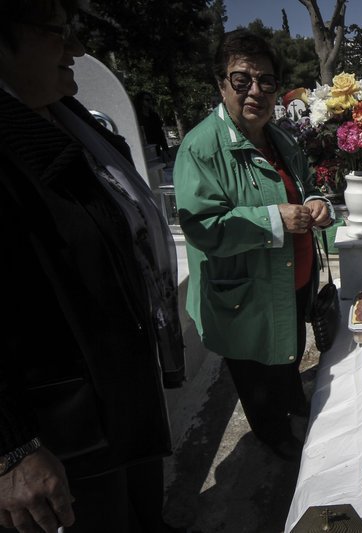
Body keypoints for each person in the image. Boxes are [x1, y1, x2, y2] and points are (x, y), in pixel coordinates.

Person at [0, 1, 185, 531]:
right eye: (59, 33)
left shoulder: (71, 119)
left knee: (142, 511)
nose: (78, 49)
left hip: (120, 390)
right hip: (59, 427)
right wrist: (11, 447)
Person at [173, 29, 332, 462]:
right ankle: (273, 434)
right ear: (221, 84)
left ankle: (292, 401)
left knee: (288, 350)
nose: (255, 91)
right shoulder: (202, 147)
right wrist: (272, 218)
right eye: (241, 80)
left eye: (266, 81)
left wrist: (317, 203)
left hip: (291, 280)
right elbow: (203, 227)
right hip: (247, 294)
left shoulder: (281, 138)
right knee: (255, 372)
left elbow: (307, 186)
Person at [134, 91, 170, 160]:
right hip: (144, 149)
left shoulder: (154, 116)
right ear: (140, 101)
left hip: (156, 148)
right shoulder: (136, 117)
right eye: (147, 100)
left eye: (151, 100)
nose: (150, 102)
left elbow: (160, 133)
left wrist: (166, 149)